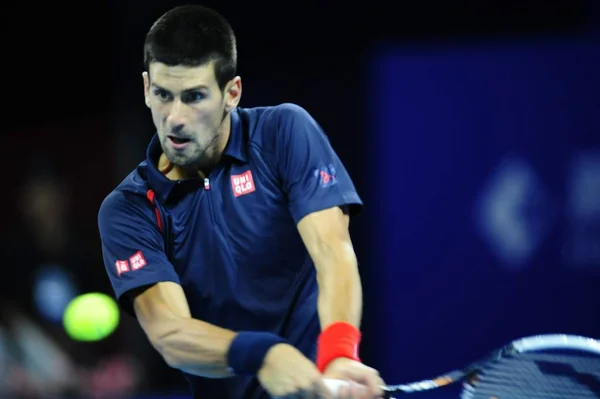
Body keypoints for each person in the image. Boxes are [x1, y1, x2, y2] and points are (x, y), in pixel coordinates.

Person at [98, 5, 384, 399]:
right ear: (146, 88)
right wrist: (264, 355)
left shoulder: (283, 132)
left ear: (231, 93)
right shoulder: (128, 210)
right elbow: (170, 332)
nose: (175, 118)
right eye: (163, 95)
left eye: (194, 96)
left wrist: (339, 353)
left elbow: (332, 251)